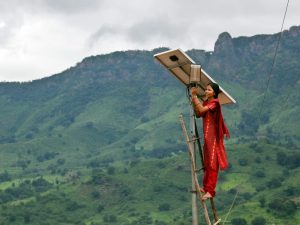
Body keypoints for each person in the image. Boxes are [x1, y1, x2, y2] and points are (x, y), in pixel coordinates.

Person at [190, 83, 230, 200]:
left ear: (214, 92)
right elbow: (199, 114)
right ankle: (206, 187)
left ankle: (210, 191)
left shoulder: (215, 103)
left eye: (208, 90)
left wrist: (195, 97)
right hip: (208, 137)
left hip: (214, 137)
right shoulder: (207, 102)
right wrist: (194, 100)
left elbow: (201, 109)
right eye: (206, 89)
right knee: (207, 163)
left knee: (213, 164)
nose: (206, 91)